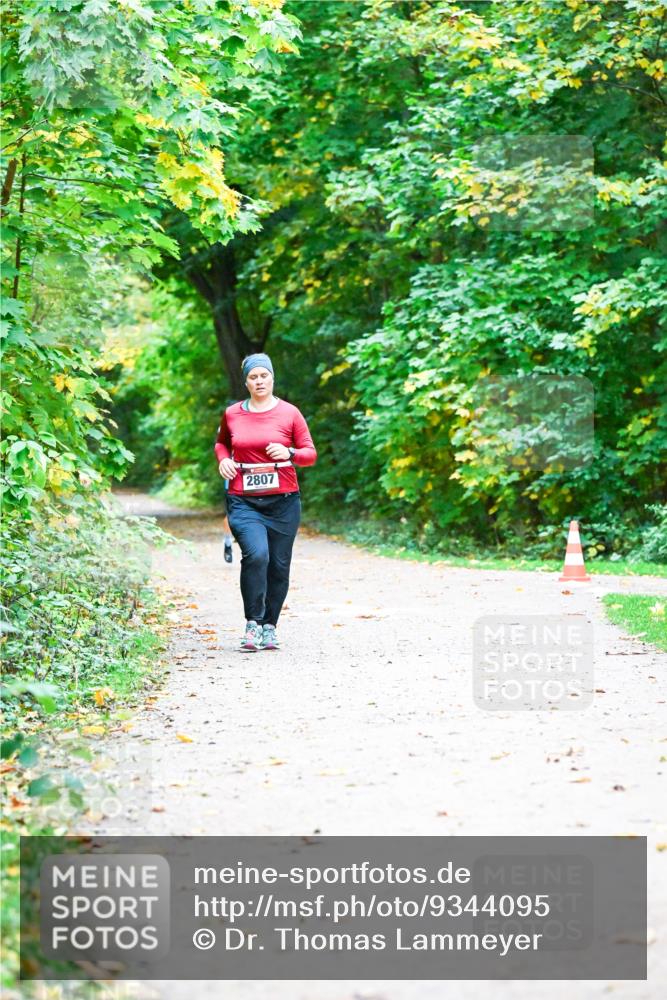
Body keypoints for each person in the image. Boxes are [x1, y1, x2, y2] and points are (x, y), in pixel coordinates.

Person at [214, 352, 317, 651]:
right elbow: (222, 443)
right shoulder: (233, 414)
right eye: (253, 377)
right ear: (246, 382)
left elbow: (309, 454)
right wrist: (223, 460)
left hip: (284, 501)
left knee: (279, 565)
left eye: (264, 376)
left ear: (272, 378)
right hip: (243, 500)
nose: (259, 381)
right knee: (257, 555)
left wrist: (290, 454)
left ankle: (270, 626)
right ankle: (252, 624)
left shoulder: (290, 413)